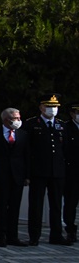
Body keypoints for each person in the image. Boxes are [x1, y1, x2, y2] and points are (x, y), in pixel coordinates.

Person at [22, 94, 72, 246]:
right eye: (49, 106)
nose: (52, 110)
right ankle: (34, 236)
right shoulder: (32, 124)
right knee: (36, 204)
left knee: (56, 204)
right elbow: (27, 150)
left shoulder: (61, 125)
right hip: (38, 171)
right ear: (41, 107)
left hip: (57, 172)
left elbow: (65, 150)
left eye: (55, 107)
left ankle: (56, 235)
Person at [0, 108, 29, 247]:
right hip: (0, 176)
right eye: (15, 118)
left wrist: (26, 176)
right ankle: (1, 235)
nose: (18, 121)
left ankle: (13, 236)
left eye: (19, 118)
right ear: (6, 119)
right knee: (0, 207)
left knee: (14, 207)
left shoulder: (23, 134)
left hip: (17, 176)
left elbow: (26, 156)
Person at [65, 103, 79, 243]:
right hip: (73, 173)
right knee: (71, 204)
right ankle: (70, 230)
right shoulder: (66, 128)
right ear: (72, 114)